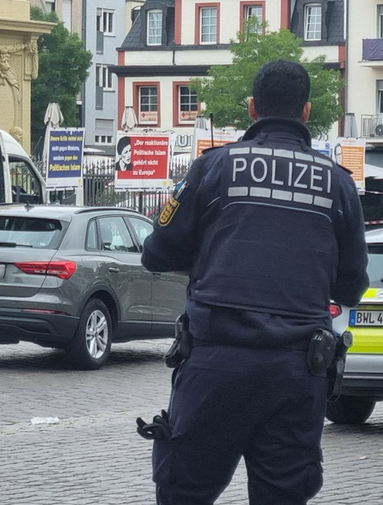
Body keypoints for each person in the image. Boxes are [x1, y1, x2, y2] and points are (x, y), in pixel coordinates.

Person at [140, 60, 368, 505]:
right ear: (306, 111)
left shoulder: (212, 168)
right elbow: (350, 287)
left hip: (215, 365)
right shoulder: (338, 185)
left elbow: (157, 253)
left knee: (184, 491)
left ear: (251, 108)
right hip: (297, 371)